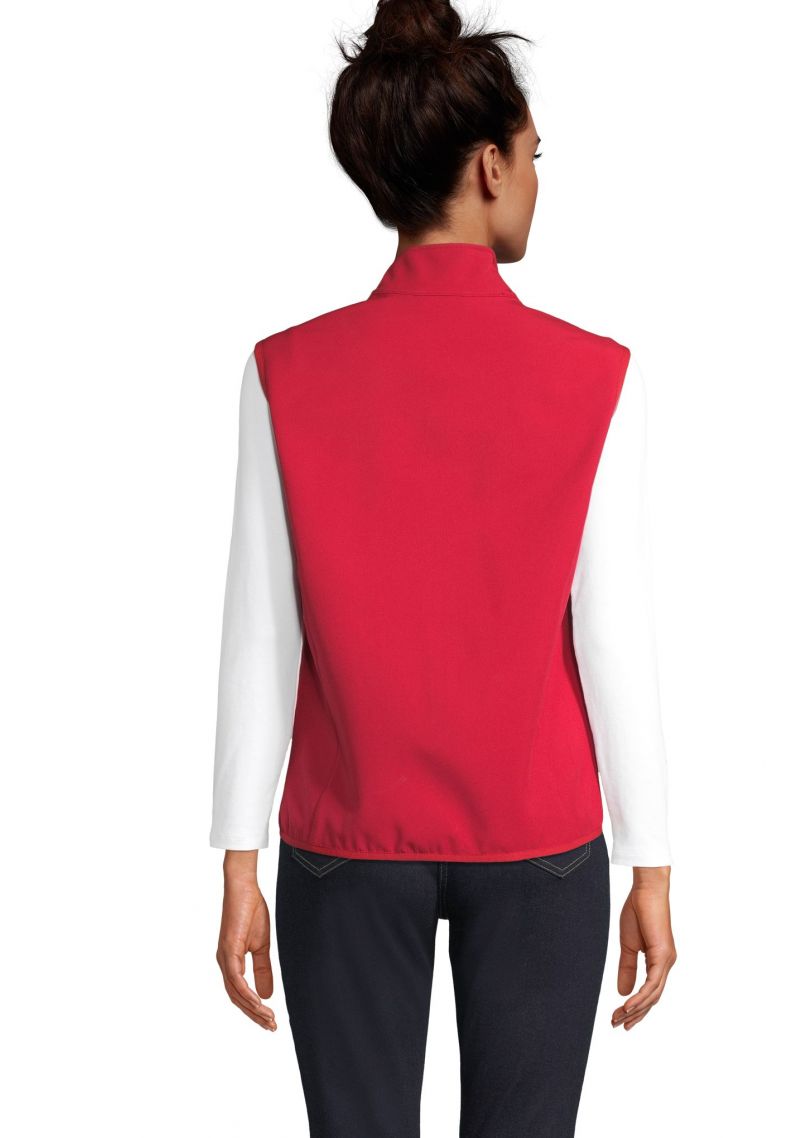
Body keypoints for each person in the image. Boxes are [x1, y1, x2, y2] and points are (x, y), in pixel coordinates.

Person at [210, 1, 676, 1134]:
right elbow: (609, 632)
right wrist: (651, 862)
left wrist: (237, 858)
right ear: (487, 165)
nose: (535, 182)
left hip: (343, 837)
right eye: (533, 158)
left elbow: (264, 628)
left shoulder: (286, 372)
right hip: (541, 840)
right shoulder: (594, 376)